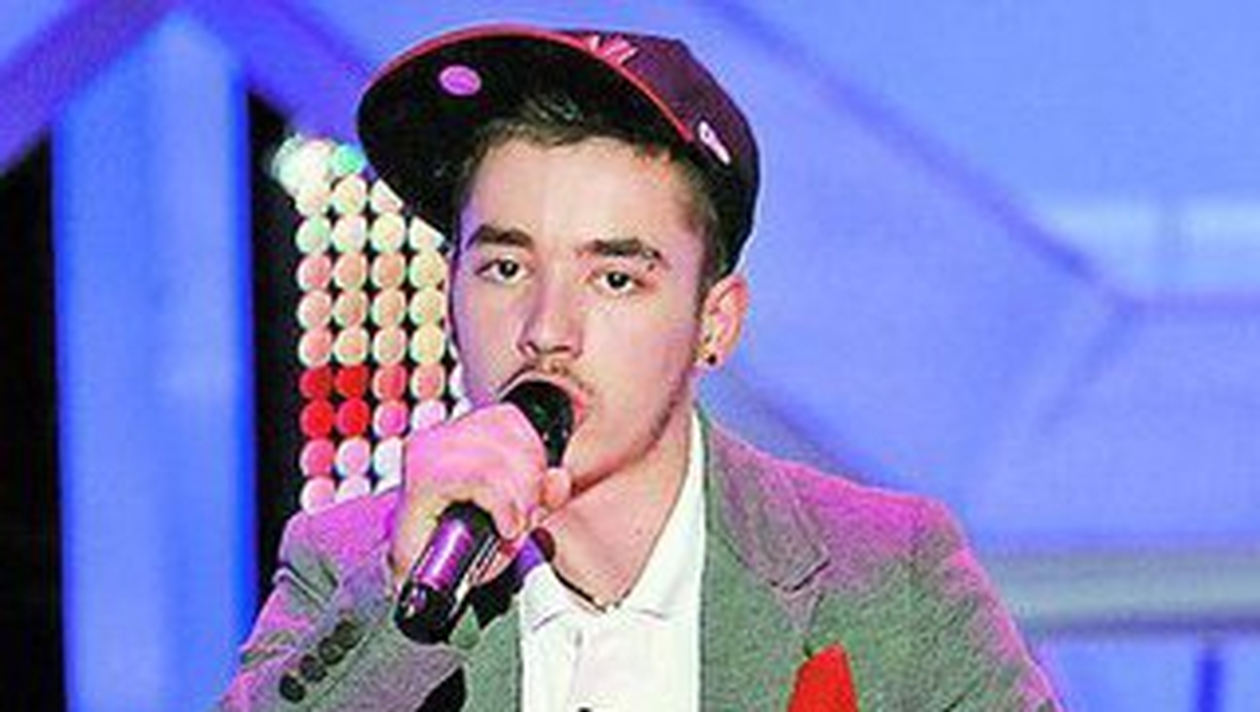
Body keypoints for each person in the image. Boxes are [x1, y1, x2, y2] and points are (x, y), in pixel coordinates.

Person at [219, 24, 1061, 711]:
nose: (547, 331)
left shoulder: (884, 575)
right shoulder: (349, 566)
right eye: (505, 268)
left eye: (615, 278)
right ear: (450, 290)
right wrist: (407, 604)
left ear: (714, 322)